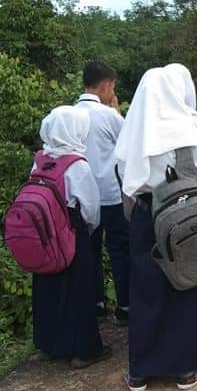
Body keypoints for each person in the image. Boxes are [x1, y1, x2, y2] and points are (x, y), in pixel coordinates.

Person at [115, 65, 197, 391]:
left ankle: (140, 371)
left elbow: (124, 178)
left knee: (146, 292)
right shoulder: (186, 130)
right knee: (188, 286)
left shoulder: (133, 132)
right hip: (184, 219)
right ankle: (185, 369)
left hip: (145, 216)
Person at [31, 106, 111, 368]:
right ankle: (82, 350)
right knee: (79, 289)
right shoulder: (77, 165)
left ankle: (48, 344)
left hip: (44, 233)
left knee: (47, 287)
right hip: (72, 230)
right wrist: (86, 232)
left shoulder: (40, 159)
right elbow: (90, 208)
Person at [76, 61, 130, 326]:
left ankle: (95, 303)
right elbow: (127, 147)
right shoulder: (109, 117)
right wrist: (116, 112)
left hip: (81, 195)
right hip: (111, 194)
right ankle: (125, 306)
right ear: (106, 85)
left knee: (89, 250)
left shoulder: (71, 114)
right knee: (119, 249)